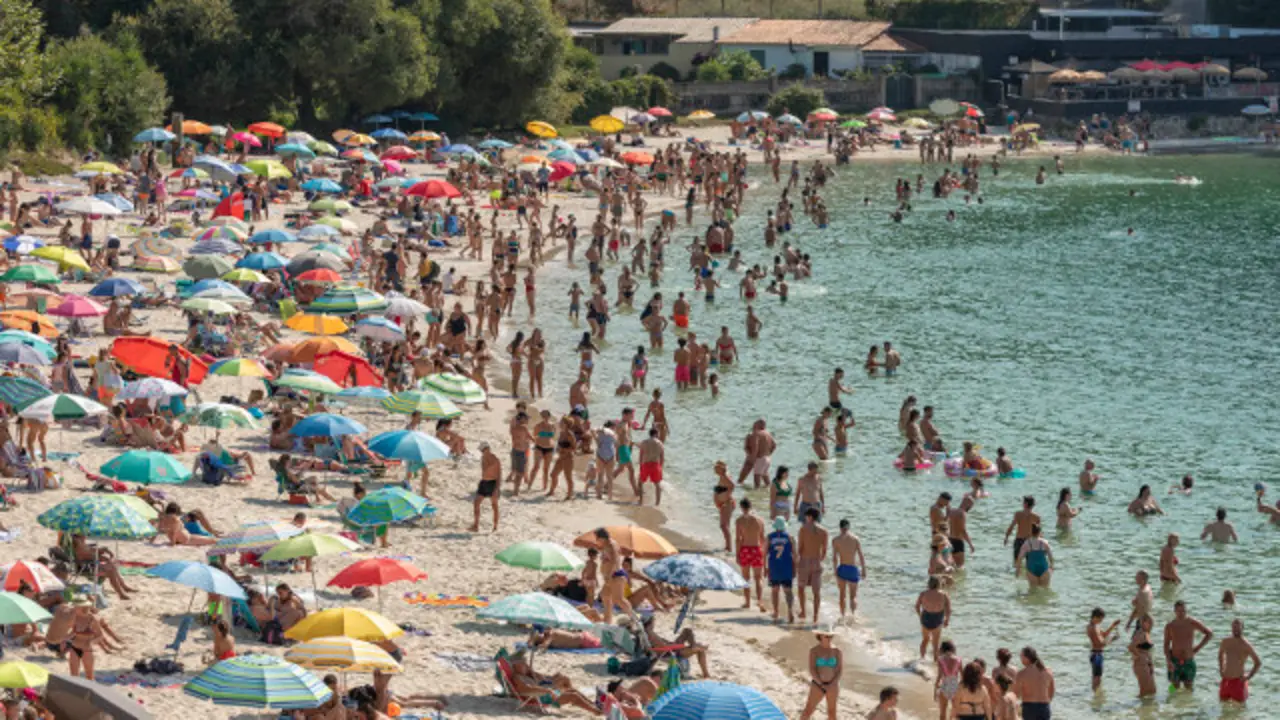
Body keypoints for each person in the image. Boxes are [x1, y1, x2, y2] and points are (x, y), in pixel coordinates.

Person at [1163, 600, 1213, 692]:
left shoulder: (1192, 623)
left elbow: (1209, 634)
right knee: (1173, 688)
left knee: (1189, 688)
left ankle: (1189, 705)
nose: (1181, 613)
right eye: (1179, 611)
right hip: (1175, 661)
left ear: (1186, 611)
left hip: (1188, 661)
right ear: (1175, 611)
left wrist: (1197, 648)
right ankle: (1169, 705)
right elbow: (1166, 645)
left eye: (1183, 611)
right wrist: (1168, 661)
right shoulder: (1170, 626)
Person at [797, 627, 842, 720]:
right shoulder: (814, 651)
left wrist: (833, 683)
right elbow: (812, 669)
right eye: (826, 636)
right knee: (808, 710)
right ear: (820, 636)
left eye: (830, 636)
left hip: (833, 686)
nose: (829, 638)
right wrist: (821, 684)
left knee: (832, 712)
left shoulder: (837, 651)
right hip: (817, 685)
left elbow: (839, 670)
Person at [796, 507, 827, 624]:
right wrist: (819, 559)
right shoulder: (824, 531)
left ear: (809, 517)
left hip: (805, 560)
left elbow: (800, 547)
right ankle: (815, 616)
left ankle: (803, 611)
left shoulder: (803, 529)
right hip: (817, 561)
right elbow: (824, 551)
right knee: (816, 591)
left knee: (801, 587)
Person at [1217, 619, 1260, 705]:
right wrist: (1221, 669)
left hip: (1238, 682)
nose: (1235, 630)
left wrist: (1248, 677)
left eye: (1237, 627)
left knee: (1240, 711)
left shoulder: (1246, 645)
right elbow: (1220, 655)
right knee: (1223, 709)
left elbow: (1258, 662)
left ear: (1242, 628)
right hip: (1225, 680)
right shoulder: (1225, 641)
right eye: (1233, 627)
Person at [734, 497, 766, 612]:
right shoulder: (760, 520)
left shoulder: (739, 521)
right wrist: (763, 552)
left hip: (745, 550)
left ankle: (747, 602)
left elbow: (738, 539)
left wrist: (737, 554)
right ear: (751, 506)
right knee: (758, 578)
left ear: (741, 507)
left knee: (746, 577)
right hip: (757, 549)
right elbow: (762, 538)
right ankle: (760, 601)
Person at [831, 518, 865, 617]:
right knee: (853, 596)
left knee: (842, 595)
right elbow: (861, 556)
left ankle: (843, 617)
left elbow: (834, 558)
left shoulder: (835, 540)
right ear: (848, 527)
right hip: (853, 569)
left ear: (840, 528)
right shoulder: (855, 539)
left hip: (842, 568)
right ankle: (853, 615)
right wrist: (864, 570)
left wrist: (835, 571)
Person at [766, 517, 796, 624]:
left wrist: (765, 568)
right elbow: (795, 555)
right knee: (788, 591)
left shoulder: (769, 537)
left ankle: (776, 612)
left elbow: (765, 552)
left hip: (774, 566)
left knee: (775, 590)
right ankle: (790, 611)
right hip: (786, 566)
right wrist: (795, 568)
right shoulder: (790, 537)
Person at [915, 576, 950, 660]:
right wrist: (947, 619)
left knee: (925, 640)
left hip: (926, 617)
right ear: (939, 584)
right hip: (937, 618)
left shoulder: (923, 593)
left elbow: (917, 606)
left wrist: (920, 615)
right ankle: (935, 662)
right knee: (935, 643)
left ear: (929, 583)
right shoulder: (944, 595)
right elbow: (948, 609)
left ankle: (922, 659)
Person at [1013, 647, 1054, 720]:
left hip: (1029, 707)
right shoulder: (1048, 671)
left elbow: (1016, 694)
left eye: (1021, 656)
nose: (1020, 659)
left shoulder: (1022, 673)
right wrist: (1046, 703)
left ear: (1027, 658)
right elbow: (1052, 691)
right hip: (1044, 707)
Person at [1086, 608, 1121, 692]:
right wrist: (1112, 639)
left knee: (1096, 677)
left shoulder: (1095, 626)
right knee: (1097, 678)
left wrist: (1113, 625)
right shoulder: (1093, 628)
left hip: (1095, 654)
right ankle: (1096, 697)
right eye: (1100, 619)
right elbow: (1101, 643)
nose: (1101, 621)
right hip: (1096, 654)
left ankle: (1096, 695)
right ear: (1095, 617)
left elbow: (1104, 635)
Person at [470, 442, 501, 532]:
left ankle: (495, 526)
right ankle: (476, 525)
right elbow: (484, 472)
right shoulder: (483, 458)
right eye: (481, 451)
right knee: (476, 503)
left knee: (494, 506)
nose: (482, 452)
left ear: (487, 449)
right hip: (484, 482)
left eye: (482, 450)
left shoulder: (495, 459)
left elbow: (499, 475)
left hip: (492, 483)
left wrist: (497, 488)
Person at [1015, 524, 1053, 588]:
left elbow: (1020, 558)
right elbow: (1050, 557)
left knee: (1032, 591)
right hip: (1044, 568)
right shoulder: (1044, 542)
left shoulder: (1027, 543)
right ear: (1039, 532)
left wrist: (1018, 570)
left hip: (1031, 568)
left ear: (1031, 532)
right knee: (1045, 590)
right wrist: (1052, 566)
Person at [1129, 613, 1158, 698]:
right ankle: (1136, 708)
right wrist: (1139, 656)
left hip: (1147, 664)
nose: (1151, 624)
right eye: (1148, 622)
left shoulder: (1146, 633)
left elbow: (1147, 650)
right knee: (1144, 691)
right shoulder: (1140, 633)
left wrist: (1151, 664)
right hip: (1141, 664)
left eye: (1151, 622)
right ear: (1142, 622)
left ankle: (1144, 709)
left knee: (1152, 690)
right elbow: (1131, 647)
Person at [636, 427, 664, 506]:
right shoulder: (660, 443)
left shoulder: (644, 442)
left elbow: (641, 456)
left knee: (640, 482)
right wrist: (661, 468)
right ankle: (657, 503)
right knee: (657, 485)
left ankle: (641, 501)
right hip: (655, 465)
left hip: (646, 464)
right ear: (656, 434)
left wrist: (641, 466)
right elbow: (662, 458)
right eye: (658, 433)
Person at [935, 641, 962, 720]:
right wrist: (960, 686)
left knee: (942, 713)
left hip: (944, 686)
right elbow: (963, 676)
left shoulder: (940, 659)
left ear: (943, 649)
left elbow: (939, 675)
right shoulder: (958, 659)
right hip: (955, 688)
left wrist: (936, 686)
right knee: (956, 713)